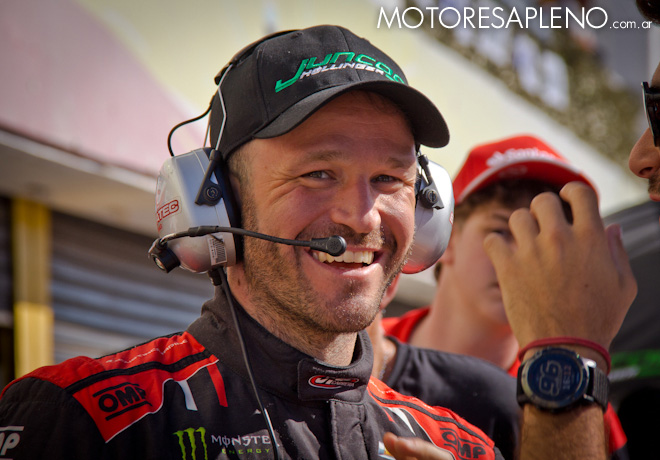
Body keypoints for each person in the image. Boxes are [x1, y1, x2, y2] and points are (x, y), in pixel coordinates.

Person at [0, 25, 637, 460]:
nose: (361, 217)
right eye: (318, 173)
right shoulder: (77, 418)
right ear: (216, 202)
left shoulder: (462, 445)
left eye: (389, 178)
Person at [379, 135, 627, 459]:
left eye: (542, 238)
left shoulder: (582, 403)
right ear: (446, 238)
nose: (523, 255)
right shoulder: (358, 351)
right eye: (500, 230)